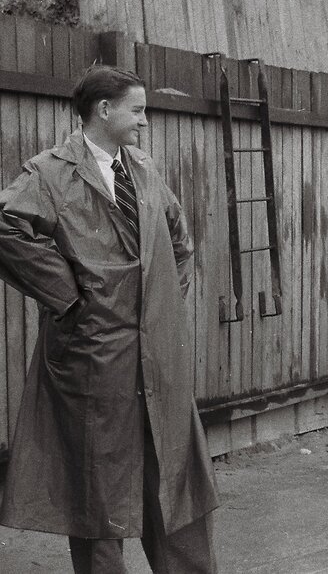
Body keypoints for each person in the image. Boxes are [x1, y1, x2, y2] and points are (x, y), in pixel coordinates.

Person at [0, 66, 218, 573]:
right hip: (92, 358)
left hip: (157, 357)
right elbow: (7, 228)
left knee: (176, 478)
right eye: (137, 110)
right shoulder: (50, 172)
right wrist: (69, 297)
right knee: (99, 491)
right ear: (104, 110)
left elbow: (179, 241)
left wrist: (161, 305)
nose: (144, 121)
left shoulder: (142, 168)